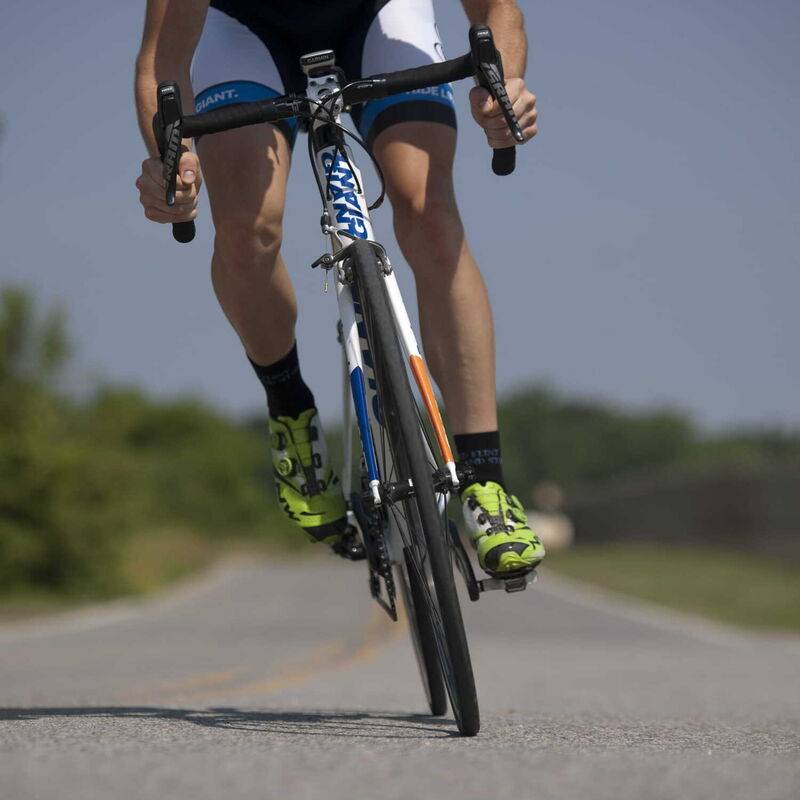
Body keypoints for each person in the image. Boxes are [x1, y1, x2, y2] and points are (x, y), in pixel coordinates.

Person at [134, 0, 545, 577]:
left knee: (428, 211)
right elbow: (162, 60)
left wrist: (503, 86)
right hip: (246, 29)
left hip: (380, 14)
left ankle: (485, 480)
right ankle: (291, 411)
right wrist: (168, 163)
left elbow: (497, 9)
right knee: (247, 230)